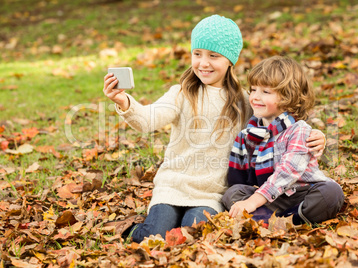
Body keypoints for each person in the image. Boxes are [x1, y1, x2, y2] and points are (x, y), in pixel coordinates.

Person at [103, 15, 326, 243]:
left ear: (230, 60)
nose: (203, 63)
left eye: (213, 56)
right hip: (173, 187)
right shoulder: (181, 94)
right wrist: (124, 102)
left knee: (195, 236)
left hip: (211, 193)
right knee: (153, 235)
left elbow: (281, 124)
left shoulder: (244, 101)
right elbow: (148, 120)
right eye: (197, 54)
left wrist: (316, 136)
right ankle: (131, 229)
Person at [222, 56, 344, 225]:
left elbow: (288, 170)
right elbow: (239, 178)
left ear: (288, 97)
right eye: (253, 89)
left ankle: (286, 220)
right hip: (272, 199)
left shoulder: (298, 129)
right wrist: (244, 199)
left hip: (301, 192)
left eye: (265, 92)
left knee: (331, 192)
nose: (255, 97)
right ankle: (270, 222)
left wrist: (253, 201)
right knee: (232, 193)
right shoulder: (247, 135)